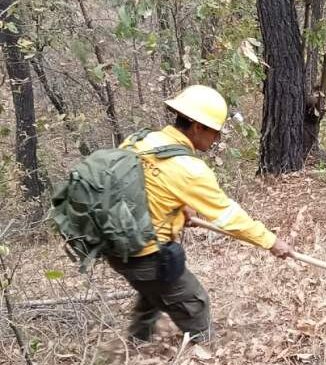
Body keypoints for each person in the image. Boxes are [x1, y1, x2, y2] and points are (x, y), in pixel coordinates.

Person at [108, 84, 292, 344]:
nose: (216, 139)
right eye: (214, 132)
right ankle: (204, 351)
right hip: (144, 254)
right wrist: (271, 242)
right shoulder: (190, 169)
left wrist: (178, 207)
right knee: (195, 303)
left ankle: (137, 343)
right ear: (197, 127)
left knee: (153, 290)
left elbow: (141, 185)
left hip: (114, 244)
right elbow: (229, 217)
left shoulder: (141, 140)